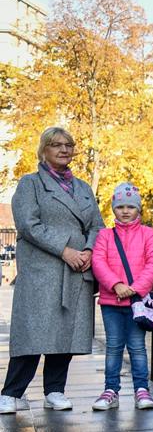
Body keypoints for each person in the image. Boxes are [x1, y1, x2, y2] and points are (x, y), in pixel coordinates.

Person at [0, 127, 104, 413]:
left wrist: (88, 250)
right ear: (43, 149)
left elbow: (97, 225)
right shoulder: (30, 184)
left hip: (75, 272)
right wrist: (65, 250)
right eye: (56, 145)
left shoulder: (83, 188)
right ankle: (11, 392)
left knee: (65, 334)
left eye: (69, 145)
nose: (64, 150)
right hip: (42, 271)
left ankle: (55, 390)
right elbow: (28, 225)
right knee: (32, 333)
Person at [90, 182, 153, 411]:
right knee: (113, 347)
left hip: (136, 302)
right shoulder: (105, 235)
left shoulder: (148, 234)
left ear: (138, 209)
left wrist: (135, 288)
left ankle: (141, 389)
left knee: (137, 347)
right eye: (120, 206)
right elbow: (98, 262)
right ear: (113, 208)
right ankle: (111, 390)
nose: (125, 211)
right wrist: (116, 284)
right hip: (112, 302)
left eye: (130, 206)